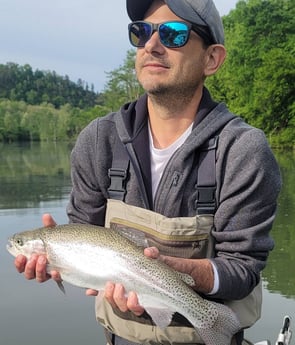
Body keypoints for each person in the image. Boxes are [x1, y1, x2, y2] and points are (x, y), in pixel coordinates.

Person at [14, 0, 282, 344]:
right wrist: (61, 261)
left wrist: (178, 275)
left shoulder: (243, 151)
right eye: (141, 32)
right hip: (120, 336)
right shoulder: (97, 141)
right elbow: (86, 231)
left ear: (212, 58)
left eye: (174, 34)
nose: (152, 45)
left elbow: (243, 268)